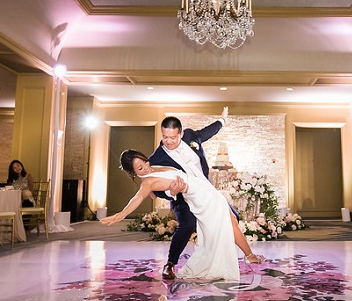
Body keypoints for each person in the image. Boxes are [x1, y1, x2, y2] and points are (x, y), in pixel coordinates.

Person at [101, 149, 262, 281]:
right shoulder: (147, 183)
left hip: (205, 190)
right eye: (141, 168)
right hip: (199, 197)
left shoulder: (154, 167)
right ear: (133, 172)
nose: (147, 167)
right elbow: (138, 198)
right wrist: (122, 214)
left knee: (231, 219)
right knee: (228, 221)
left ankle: (249, 255)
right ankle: (249, 256)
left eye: (145, 162)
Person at [149, 107, 228, 280]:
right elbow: (153, 187)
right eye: (165, 137)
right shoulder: (157, 158)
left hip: (205, 192)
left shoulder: (191, 136)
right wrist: (171, 191)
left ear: (181, 133)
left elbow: (208, 132)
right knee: (188, 224)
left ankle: (233, 258)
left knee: (230, 216)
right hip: (181, 197)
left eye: (173, 137)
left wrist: (222, 120)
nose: (168, 141)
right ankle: (170, 263)